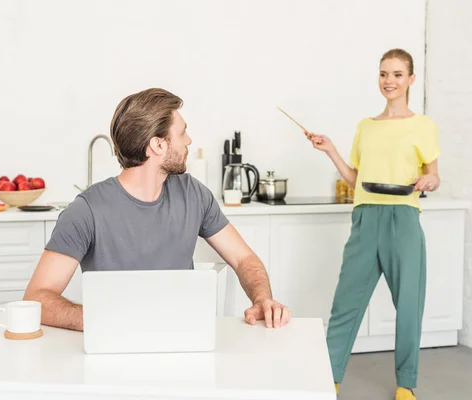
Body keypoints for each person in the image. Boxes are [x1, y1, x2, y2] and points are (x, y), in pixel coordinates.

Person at [24, 88, 291, 332]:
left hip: (183, 339)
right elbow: (38, 298)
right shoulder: (86, 211)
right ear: (158, 144)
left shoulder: (194, 194)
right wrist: (99, 319)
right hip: (115, 345)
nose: (189, 140)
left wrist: (262, 298)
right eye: (182, 132)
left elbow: (244, 259)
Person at [307, 49, 440, 400]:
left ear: (411, 80)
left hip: (404, 218)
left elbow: (434, 175)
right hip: (366, 216)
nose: (389, 81)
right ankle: (330, 376)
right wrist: (331, 150)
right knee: (346, 302)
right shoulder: (365, 127)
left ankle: (406, 384)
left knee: (409, 304)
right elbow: (356, 180)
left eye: (397, 74)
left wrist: (428, 182)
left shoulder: (422, 125)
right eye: (383, 74)